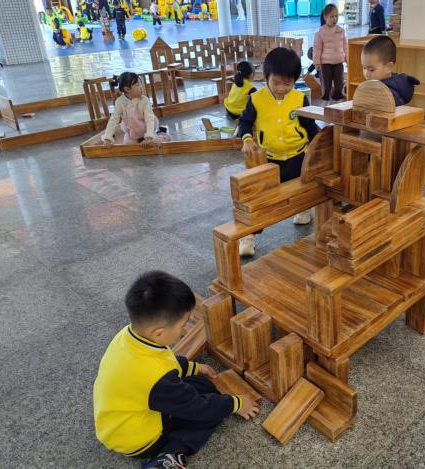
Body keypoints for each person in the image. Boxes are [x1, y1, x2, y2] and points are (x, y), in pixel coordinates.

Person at [93, 271, 260, 469]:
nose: (183, 330)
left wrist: (194, 367)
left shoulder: (127, 336)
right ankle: (167, 456)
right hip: (138, 439)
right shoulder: (156, 377)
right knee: (208, 415)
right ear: (159, 333)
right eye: (183, 325)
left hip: (117, 417)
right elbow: (198, 408)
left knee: (203, 385)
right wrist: (236, 404)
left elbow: (165, 361)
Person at [237, 47, 321, 256]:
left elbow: (310, 126)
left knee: (303, 188)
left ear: (295, 80)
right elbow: (244, 123)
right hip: (269, 160)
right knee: (261, 199)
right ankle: (248, 235)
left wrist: (320, 143)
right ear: (266, 77)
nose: (282, 88)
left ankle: (303, 211)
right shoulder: (256, 99)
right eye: (276, 83)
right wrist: (247, 139)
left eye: (288, 83)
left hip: (298, 155)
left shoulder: (299, 98)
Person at [103, 72, 171, 147]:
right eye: (137, 85)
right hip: (132, 133)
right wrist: (107, 138)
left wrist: (149, 137)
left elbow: (149, 119)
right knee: (128, 146)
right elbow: (113, 120)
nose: (141, 87)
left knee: (154, 144)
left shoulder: (144, 100)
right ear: (127, 89)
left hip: (147, 129)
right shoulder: (120, 102)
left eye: (140, 84)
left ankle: (161, 135)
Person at [361, 35, 419, 106]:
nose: (366, 74)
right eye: (364, 68)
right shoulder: (377, 84)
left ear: (388, 67)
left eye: (371, 70)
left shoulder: (388, 93)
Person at [313, 4, 347, 101]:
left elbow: (345, 47)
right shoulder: (320, 32)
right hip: (325, 64)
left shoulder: (341, 31)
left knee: (339, 86)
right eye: (331, 16)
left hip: (338, 63)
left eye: (336, 16)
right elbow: (317, 48)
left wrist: (348, 59)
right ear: (325, 17)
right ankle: (325, 101)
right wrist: (316, 62)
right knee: (326, 87)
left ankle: (337, 101)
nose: (334, 19)